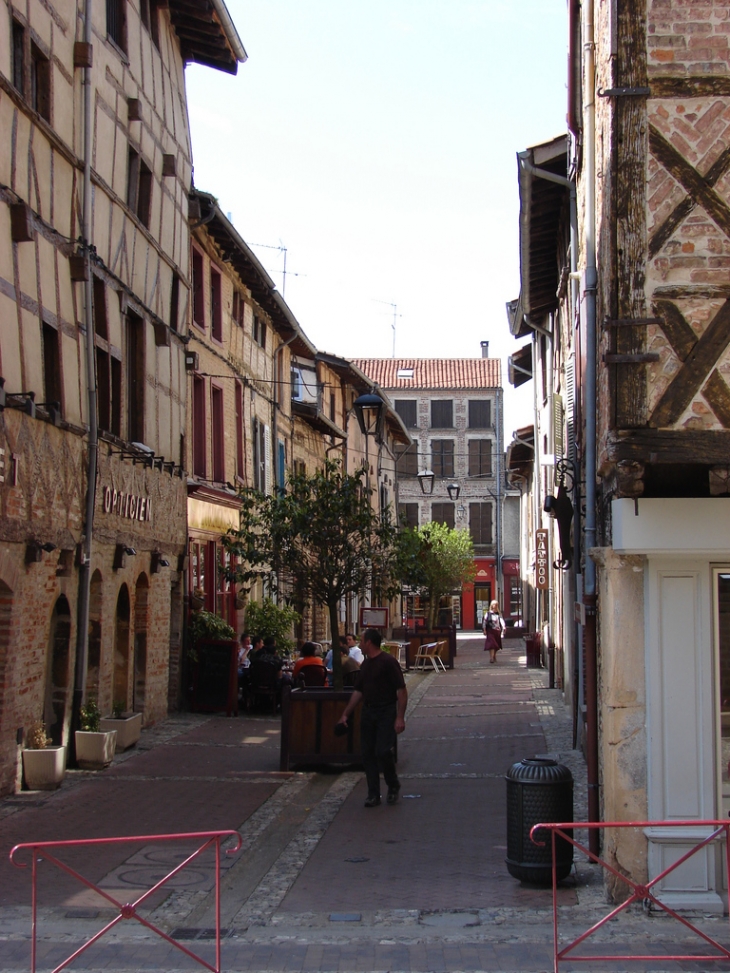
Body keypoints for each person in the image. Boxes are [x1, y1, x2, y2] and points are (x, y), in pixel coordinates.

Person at [337, 628, 407, 807]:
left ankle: (392, 784)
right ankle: (373, 793)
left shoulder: (388, 662)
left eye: (361, 640)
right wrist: (346, 713)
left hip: (386, 711)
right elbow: (358, 691)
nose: (359, 644)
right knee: (367, 753)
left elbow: (401, 690)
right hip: (368, 711)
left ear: (369, 643)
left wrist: (400, 717)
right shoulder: (366, 665)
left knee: (383, 751)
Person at [483, 599, 506, 664]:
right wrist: (484, 630)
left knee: (496, 645)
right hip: (490, 630)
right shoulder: (488, 614)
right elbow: (484, 621)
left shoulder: (499, 614)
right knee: (492, 644)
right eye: (494, 604)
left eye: (496, 604)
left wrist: (504, 627)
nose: (495, 606)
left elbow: (501, 620)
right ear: (491, 605)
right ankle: (491, 658)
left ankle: (494, 655)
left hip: (497, 631)